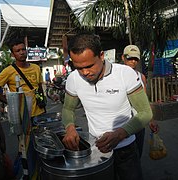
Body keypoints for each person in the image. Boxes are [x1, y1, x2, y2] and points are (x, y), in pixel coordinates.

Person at [61, 33, 153, 180]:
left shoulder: (125, 74)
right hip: (96, 149)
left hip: (125, 150)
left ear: (102, 56)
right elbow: (67, 109)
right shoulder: (73, 78)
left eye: (89, 66)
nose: (85, 73)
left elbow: (145, 112)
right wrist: (70, 128)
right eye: (78, 68)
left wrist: (119, 135)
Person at [0, 38, 45, 179]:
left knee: (42, 146)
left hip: (39, 115)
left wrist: (42, 103)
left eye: (23, 49)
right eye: (17, 51)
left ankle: (39, 173)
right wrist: (11, 102)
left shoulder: (36, 68)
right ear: (13, 54)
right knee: (26, 149)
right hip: (22, 118)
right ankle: (28, 174)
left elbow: (39, 88)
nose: (21, 52)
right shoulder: (8, 71)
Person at [122, 45, 159, 158]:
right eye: (130, 58)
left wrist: (151, 120)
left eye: (136, 59)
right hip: (122, 123)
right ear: (123, 58)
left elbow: (145, 101)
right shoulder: (117, 76)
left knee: (137, 154)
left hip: (138, 122)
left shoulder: (141, 77)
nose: (133, 61)